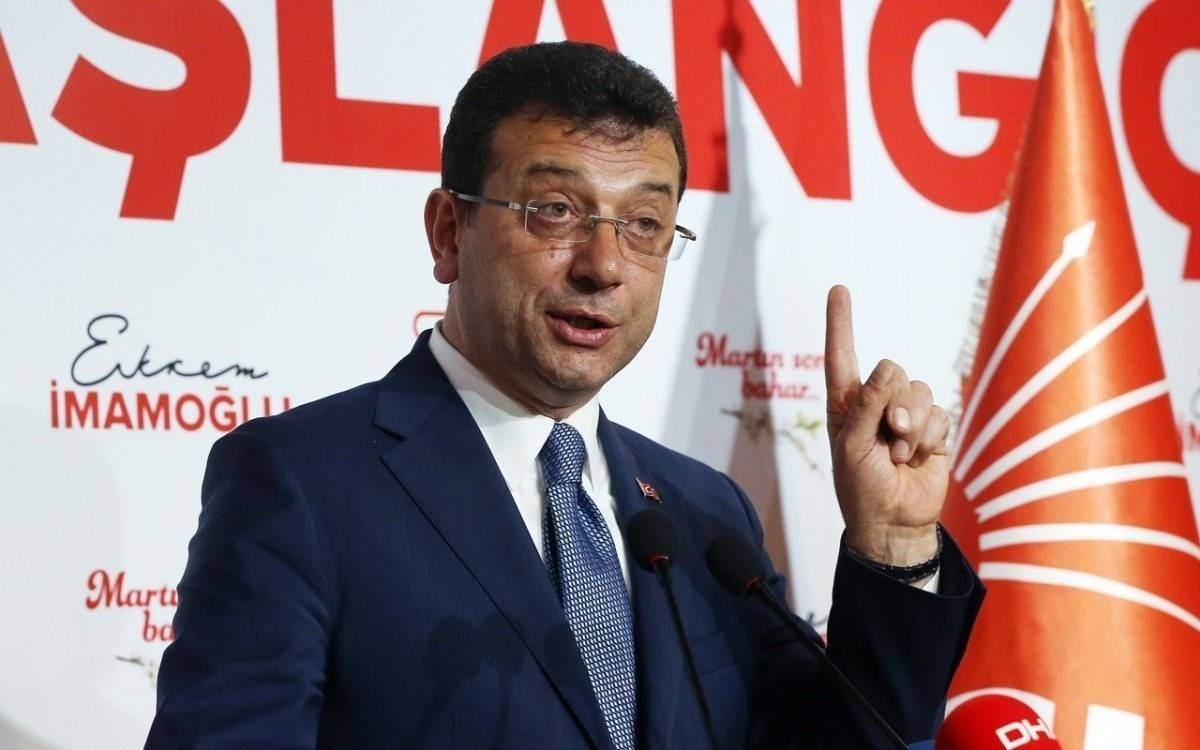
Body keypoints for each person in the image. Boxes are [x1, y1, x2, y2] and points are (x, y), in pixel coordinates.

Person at [147, 41, 983, 749]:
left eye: (645, 223)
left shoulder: (705, 515)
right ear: (448, 232)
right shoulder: (303, 483)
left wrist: (894, 543)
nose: (605, 265)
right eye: (554, 210)